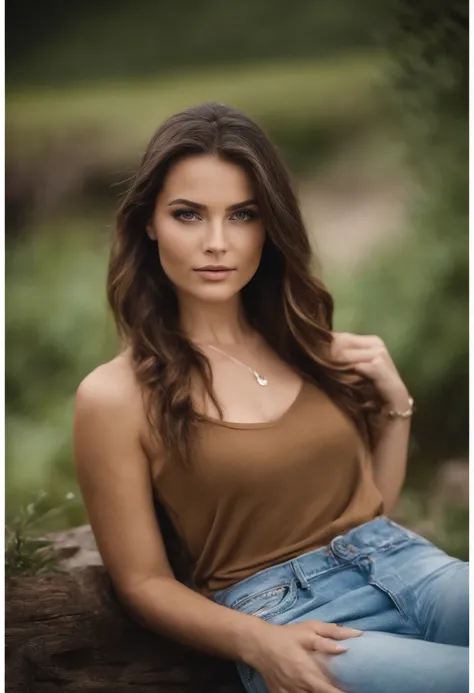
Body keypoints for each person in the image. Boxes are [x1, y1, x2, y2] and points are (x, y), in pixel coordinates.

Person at [73, 102, 468, 693]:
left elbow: (368, 513)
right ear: (148, 222)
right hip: (294, 623)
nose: (216, 241)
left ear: (269, 224)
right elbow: (143, 583)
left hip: (410, 567)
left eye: (242, 215)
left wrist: (394, 410)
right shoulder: (113, 396)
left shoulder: (309, 346)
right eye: (188, 214)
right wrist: (257, 642)